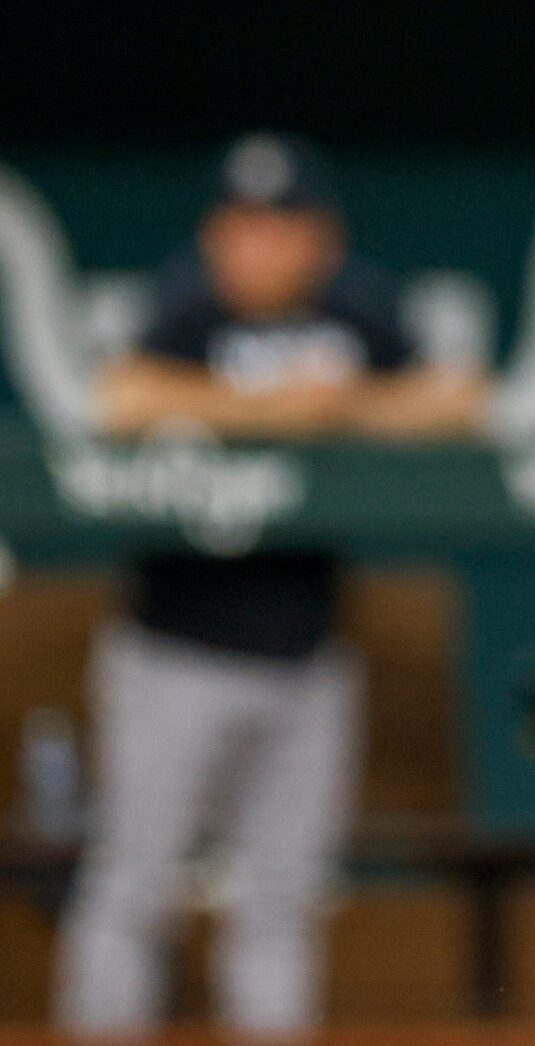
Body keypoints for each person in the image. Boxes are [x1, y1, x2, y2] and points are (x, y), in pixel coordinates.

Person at [53, 132, 488, 1038]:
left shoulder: (354, 308)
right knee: (135, 887)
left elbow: (461, 402)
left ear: (320, 238)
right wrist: (265, 411)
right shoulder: (183, 306)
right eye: (244, 226)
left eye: (283, 227)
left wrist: (345, 406)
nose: (262, 246)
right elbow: (118, 399)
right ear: (216, 234)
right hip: (174, 647)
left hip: (307, 653)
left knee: (284, 903)